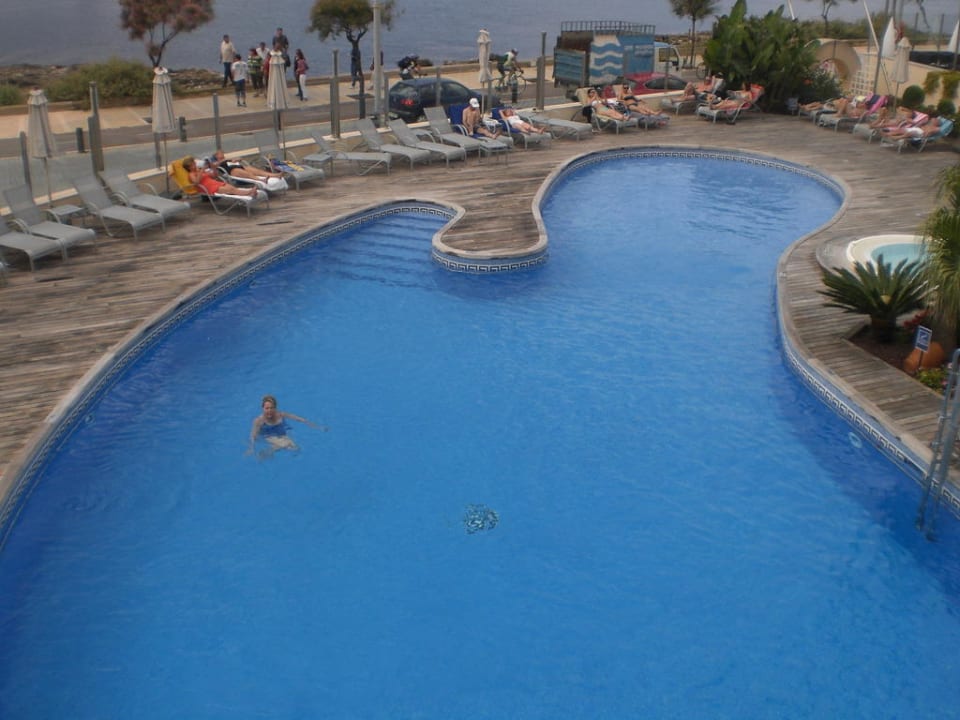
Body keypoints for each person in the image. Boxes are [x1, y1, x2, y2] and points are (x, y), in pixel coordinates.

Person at [247, 394, 324, 457]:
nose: (269, 410)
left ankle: (270, 451)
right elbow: (253, 435)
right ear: (262, 408)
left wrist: (317, 427)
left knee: (296, 449)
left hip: (280, 434)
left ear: (275, 408)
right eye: (267, 408)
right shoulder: (258, 421)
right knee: (286, 444)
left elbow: (299, 419)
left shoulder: (280, 415)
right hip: (267, 435)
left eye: (272, 408)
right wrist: (251, 448)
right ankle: (267, 452)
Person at [182, 155, 259, 197]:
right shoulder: (191, 174)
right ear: (188, 167)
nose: (194, 165)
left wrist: (213, 167)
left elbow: (214, 175)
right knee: (230, 190)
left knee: (231, 187)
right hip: (208, 188)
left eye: (194, 163)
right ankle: (249, 192)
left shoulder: (199, 170)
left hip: (214, 183)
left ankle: (248, 192)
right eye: (192, 164)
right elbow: (196, 182)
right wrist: (202, 170)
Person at [209, 149, 287, 190]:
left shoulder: (227, 159)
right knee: (247, 174)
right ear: (216, 155)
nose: (223, 154)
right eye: (221, 153)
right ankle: (261, 180)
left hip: (238, 166)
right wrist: (224, 161)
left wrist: (237, 159)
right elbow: (215, 166)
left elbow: (240, 158)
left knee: (257, 171)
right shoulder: (215, 162)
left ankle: (276, 175)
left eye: (222, 153)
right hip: (231, 171)